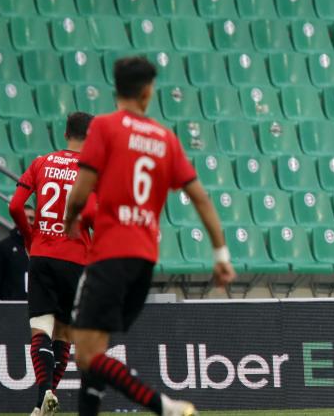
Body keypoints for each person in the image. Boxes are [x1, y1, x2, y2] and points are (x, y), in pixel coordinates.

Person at [63, 56, 236, 416]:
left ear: (117, 89)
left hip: (109, 255)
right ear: (146, 92)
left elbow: (80, 191)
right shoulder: (165, 138)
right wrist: (220, 256)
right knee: (94, 358)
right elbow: (201, 198)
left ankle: (164, 406)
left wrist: (71, 219)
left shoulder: (105, 128)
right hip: (143, 263)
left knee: (85, 353)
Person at [9, 112, 96, 416]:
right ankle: (45, 397)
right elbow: (95, 216)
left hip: (42, 255)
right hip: (75, 259)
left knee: (40, 331)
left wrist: (30, 237)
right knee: (63, 334)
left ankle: (42, 400)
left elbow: (15, 205)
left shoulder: (41, 163)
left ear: (66, 134)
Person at [0, 205, 33, 301]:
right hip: (13, 309)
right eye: (24, 218)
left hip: (40, 310)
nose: (28, 221)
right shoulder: (2, 247)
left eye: (31, 218)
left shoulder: (44, 248)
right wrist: (9, 299)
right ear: (17, 220)